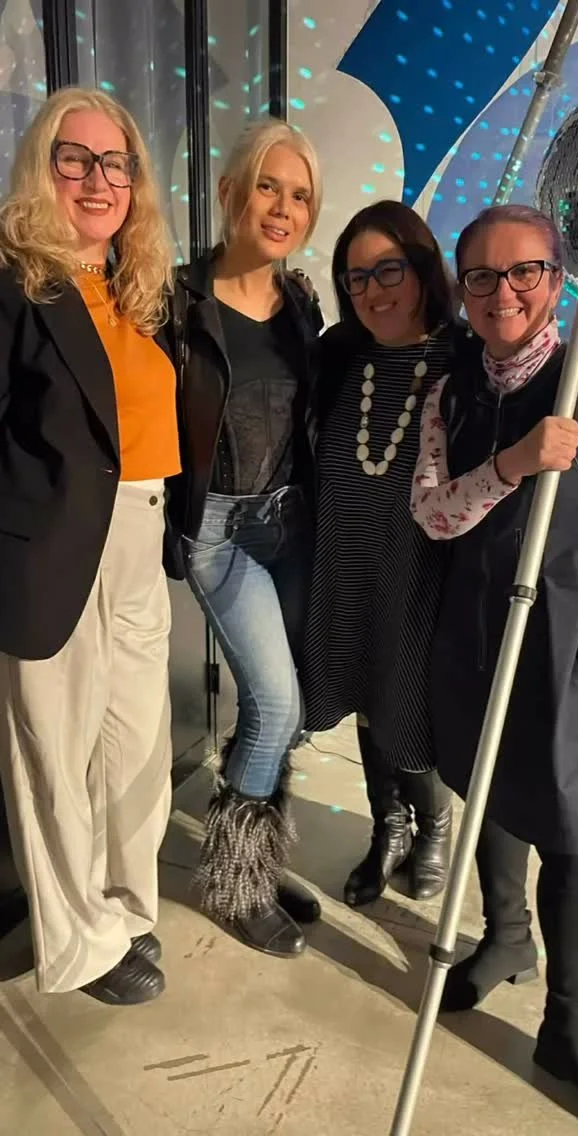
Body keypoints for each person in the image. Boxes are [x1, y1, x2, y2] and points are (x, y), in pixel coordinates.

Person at [411, 203, 578, 1136]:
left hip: (563, 646)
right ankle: (507, 937)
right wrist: (512, 463)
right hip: (471, 637)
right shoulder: (450, 393)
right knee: (487, 789)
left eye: (525, 272)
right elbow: (432, 514)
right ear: (461, 288)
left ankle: (571, 1035)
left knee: (576, 833)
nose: (503, 292)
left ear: (557, 278)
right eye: (482, 276)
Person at [0, 87, 178, 1004]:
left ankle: (127, 906)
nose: (98, 179)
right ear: (44, 167)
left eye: (116, 163)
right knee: (55, 754)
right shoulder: (15, 283)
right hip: (51, 548)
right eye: (76, 159)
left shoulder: (139, 288)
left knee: (134, 742)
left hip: (142, 533)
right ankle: (80, 943)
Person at [167, 119, 323, 959]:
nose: (282, 207)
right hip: (220, 530)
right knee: (274, 702)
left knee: (291, 707)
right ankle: (236, 885)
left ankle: (253, 858)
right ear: (230, 192)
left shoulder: (301, 304)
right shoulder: (177, 302)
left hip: (290, 521)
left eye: (299, 195)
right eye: (268, 186)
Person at [302, 201, 456, 909]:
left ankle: (433, 826)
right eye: (356, 277)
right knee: (364, 701)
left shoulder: (463, 359)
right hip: (344, 564)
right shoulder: (339, 354)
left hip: (421, 576)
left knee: (407, 709)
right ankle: (387, 827)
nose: (372, 290)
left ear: (422, 268)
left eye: (388, 270)